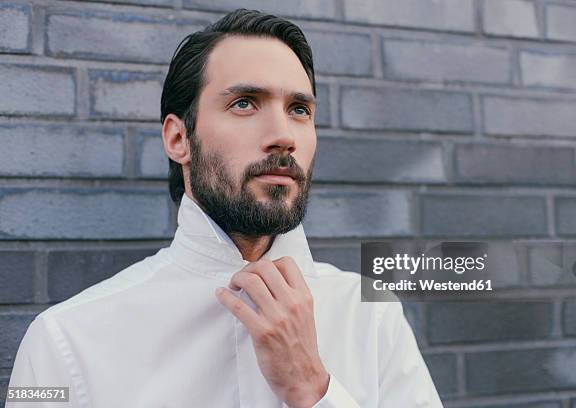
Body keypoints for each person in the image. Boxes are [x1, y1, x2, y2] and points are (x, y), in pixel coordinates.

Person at [6, 8, 442, 408]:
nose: (283, 135)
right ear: (178, 139)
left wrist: (313, 390)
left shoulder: (371, 314)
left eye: (299, 109)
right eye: (245, 103)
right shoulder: (64, 342)